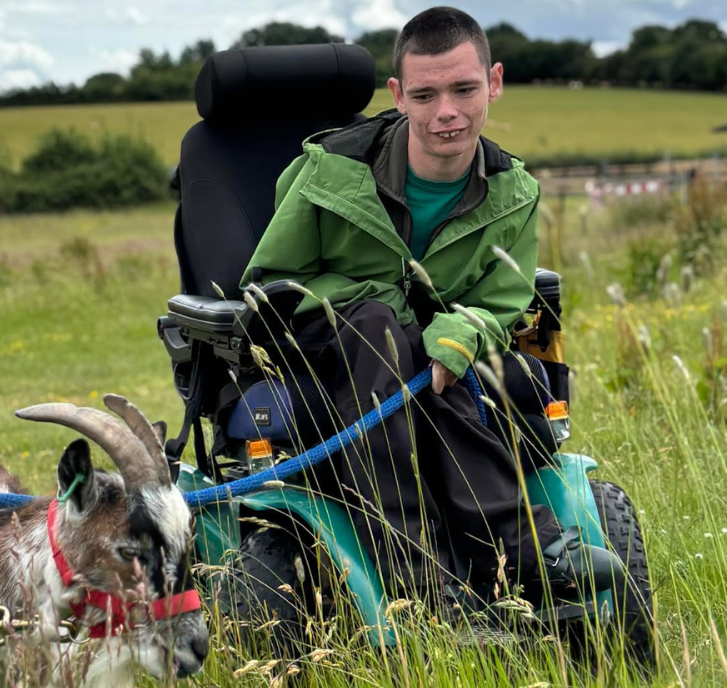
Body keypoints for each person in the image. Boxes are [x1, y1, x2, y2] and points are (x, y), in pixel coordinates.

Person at [240, 7, 623, 603]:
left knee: (428, 352)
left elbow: (500, 300)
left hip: (427, 349)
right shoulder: (324, 172)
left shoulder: (514, 192)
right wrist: (384, 302)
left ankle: (515, 553)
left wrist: (460, 333)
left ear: (492, 83)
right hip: (329, 343)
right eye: (425, 94)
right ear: (398, 96)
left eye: (464, 89)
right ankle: (416, 571)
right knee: (381, 328)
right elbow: (274, 282)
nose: (446, 111)